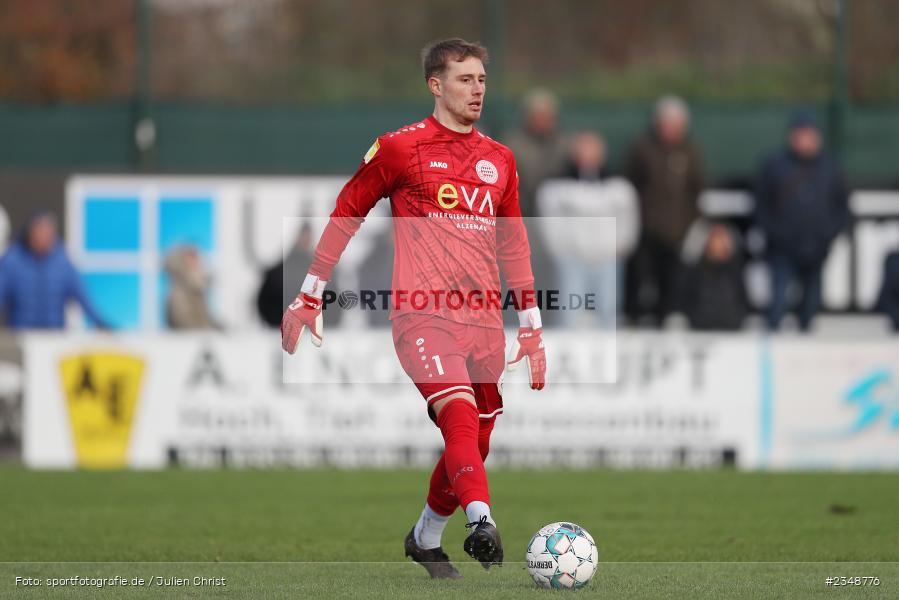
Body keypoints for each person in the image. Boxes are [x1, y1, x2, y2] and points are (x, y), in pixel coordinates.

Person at [280, 38, 546, 577]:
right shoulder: (401, 148)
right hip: (421, 314)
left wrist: (531, 326)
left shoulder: (501, 159)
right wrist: (310, 292)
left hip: (484, 322)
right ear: (435, 84)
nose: (477, 90)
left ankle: (425, 537)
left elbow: (514, 244)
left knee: (478, 436)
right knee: (459, 417)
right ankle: (481, 521)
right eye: (465, 79)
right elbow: (348, 210)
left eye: (482, 80)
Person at [754, 111, 851, 331]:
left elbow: (842, 206)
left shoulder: (831, 167)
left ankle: (805, 349)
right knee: (778, 300)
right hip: (782, 246)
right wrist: (774, 232)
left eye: (808, 134)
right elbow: (761, 204)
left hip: (817, 245)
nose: (804, 140)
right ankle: (772, 346)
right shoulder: (774, 166)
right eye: (800, 134)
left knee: (811, 301)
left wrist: (829, 233)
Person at [536, 132, 639, 328]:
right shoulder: (555, 187)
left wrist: (620, 248)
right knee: (568, 314)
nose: (587, 156)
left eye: (592, 151)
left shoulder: (619, 186)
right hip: (571, 261)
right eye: (583, 150)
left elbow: (629, 220)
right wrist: (560, 251)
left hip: (608, 260)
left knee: (608, 313)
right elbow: (549, 222)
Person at [624, 95, 705, 327]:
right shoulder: (642, 148)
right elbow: (630, 185)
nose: (670, 128)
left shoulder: (691, 152)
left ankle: (664, 320)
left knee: (670, 279)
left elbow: (696, 189)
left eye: (675, 124)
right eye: (666, 122)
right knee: (638, 276)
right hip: (644, 228)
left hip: (677, 230)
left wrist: (689, 221)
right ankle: (633, 319)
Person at [0, 211, 110, 329]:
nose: (43, 237)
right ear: (30, 233)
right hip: (22, 336)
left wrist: (101, 323)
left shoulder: (62, 263)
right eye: (39, 231)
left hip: (54, 337)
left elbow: (82, 296)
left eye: (47, 233)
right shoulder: (13, 261)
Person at [681, 220, 748, 330]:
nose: (719, 243)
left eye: (722, 239)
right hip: (701, 330)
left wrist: (737, 319)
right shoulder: (696, 270)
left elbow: (743, 300)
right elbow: (686, 299)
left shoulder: (735, 271)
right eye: (715, 238)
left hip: (730, 330)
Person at [257, 223, 316, 328]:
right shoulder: (280, 271)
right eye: (305, 237)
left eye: (308, 238)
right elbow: (266, 301)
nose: (306, 242)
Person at [163, 244, 220, 330]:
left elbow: (206, 320)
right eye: (192, 257)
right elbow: (188, 327)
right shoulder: (178, 296)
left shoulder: (196, 292)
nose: (198, 262)